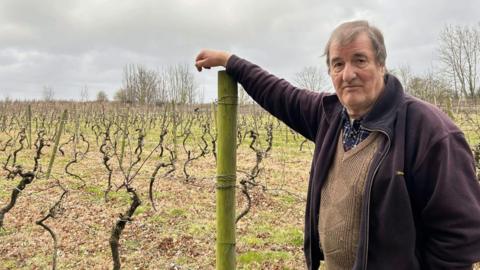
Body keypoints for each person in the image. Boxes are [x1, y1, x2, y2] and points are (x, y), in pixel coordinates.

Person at [195, 20, 480, 270]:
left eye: (360, 60)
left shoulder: (428, 130)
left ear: (381, 65)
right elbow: (279, 93)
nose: (348, 74)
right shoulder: (329, 116)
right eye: (338, 64)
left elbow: (458, 234)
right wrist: (230, 61)